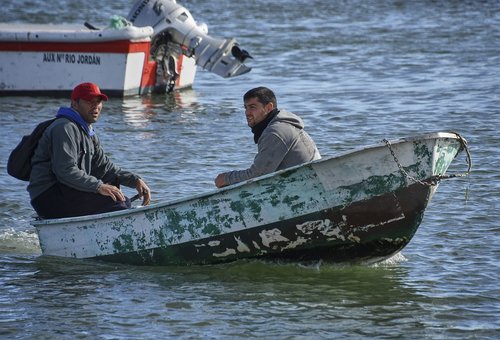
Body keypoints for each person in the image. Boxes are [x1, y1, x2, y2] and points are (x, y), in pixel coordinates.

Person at [27, 82, 151, 219]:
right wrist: (99, 187)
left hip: (65, 191)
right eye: (89, 101)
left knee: (121, 199)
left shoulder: (88, 132)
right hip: (47, 197)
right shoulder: (64, 128)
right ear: (74, 104)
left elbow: (105, 168)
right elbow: (65, 171)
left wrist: (135, 180)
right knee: (114, 201)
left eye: (98, 102)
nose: (96, 106)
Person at [214, 86, 321, 188]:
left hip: (308, 185)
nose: (247, 113)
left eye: (252, 107)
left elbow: (258, 175)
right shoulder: (283, 126)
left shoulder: (276, 132)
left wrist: (226, 178)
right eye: (245, 108)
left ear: (269, 107)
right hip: (310, 182)